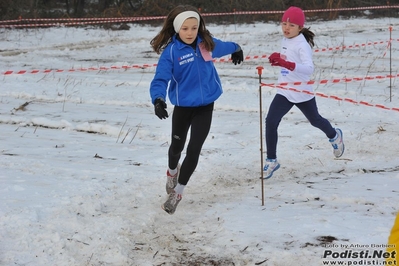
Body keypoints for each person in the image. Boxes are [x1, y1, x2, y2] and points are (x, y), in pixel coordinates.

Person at [149, 5, 244, 214]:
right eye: (185, 29)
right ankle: (172, 172)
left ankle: (178, 193)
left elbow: (224, 46)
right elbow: (161, 78)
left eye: (194, 27)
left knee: (194, 150)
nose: (190, 33)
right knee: (176, 148)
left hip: (206, 106)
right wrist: (158, 99)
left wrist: (237, 48)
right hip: (183, 107)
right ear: (177, 29)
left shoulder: (206, 44)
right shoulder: (171, 53)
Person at [263, 6, 344, 179]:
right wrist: (279, 58)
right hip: (285, 90)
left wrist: (287, 64)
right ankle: (271, 159)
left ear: (300, 28)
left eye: (291, 25)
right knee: (271, 121)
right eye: (284, 23)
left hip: (301, 91)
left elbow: (308, 69)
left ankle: (335, 136)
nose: (286, 28)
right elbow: (288, 59)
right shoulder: (286, 40)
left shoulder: (302, 45)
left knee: (315, 120)